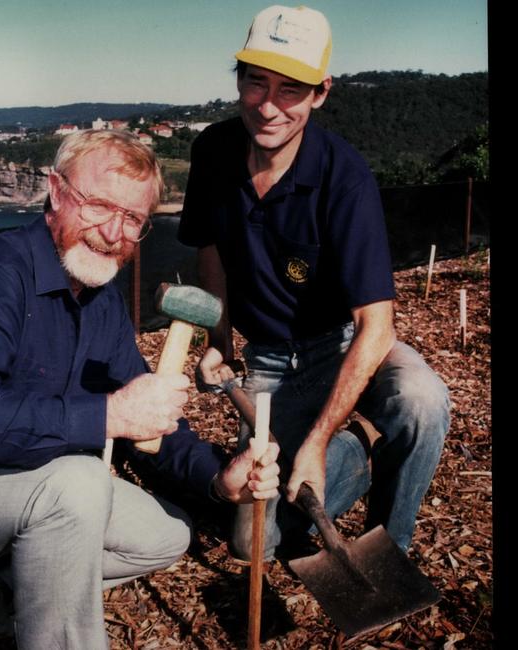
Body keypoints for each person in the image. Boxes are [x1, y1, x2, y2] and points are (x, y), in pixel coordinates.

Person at [0, 129, 280, 649]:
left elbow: (145, 413)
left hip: (16, 482)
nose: (113, 232)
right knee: (78, 482)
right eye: (98, 205)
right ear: (57, 191)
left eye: (133, 219)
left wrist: (220, 479)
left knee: (166, 535)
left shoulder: (101, 299)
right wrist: (109, 415)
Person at [178, 4, 450, 560]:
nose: (269, 107)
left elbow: (376, 327)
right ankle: (365, 447)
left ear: (320, 93)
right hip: (271, 365)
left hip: (344, 347)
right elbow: (211, 253)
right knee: (256, 545)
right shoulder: (213, 152)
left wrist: (318, 443)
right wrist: (219, 342)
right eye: (257, 83)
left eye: (291, 90)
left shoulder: (343, 177)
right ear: (238, 80)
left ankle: (389, 547)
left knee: (423, 399)